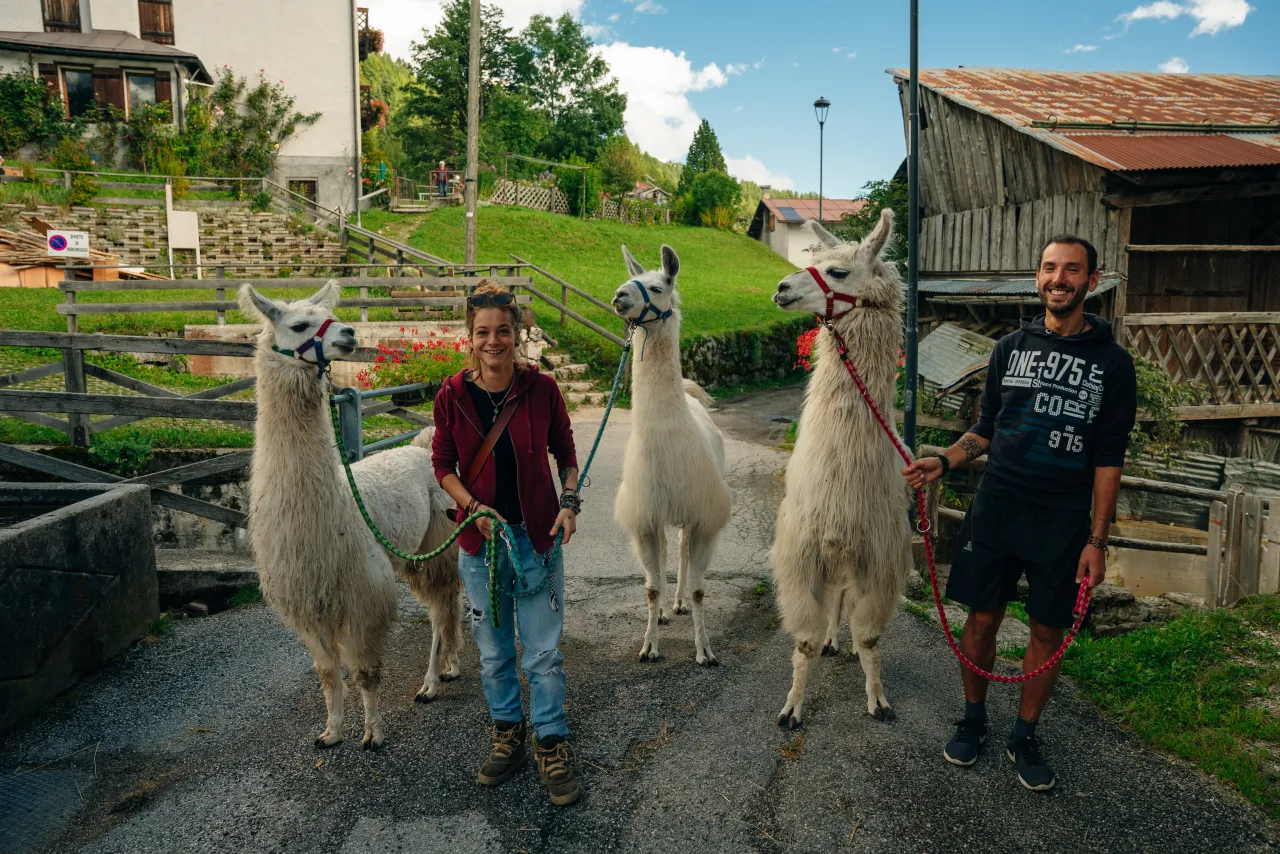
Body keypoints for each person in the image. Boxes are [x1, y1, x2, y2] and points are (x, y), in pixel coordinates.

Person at [902, 235, 1136, 792]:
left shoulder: (1113, 363)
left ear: (1091, 281)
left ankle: (1024, 735)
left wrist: (1097, 541)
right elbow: (986, 429)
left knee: (1047, 631)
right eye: (1050, 268)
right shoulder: (1008, 348)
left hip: (1062, 520)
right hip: (998, 508)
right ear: (1038, 277)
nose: (1059, 278)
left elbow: (1109, 457)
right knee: (982, 618)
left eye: (1072, 270)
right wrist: (945, 459)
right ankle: (973, 719)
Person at [431, 280, 583, 806]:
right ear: (469, 337)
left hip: (537, 537)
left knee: (543, 653)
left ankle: (551, 742)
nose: (493, 341)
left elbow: (566, 453)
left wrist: (569, 501)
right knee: (494, 653)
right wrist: (472, 508)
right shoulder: (452, 396)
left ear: (516, 334)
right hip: (481, 546)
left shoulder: (542, 391)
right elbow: (442, 465)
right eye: (482, 332)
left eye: (502, 331)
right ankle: (508, 734)